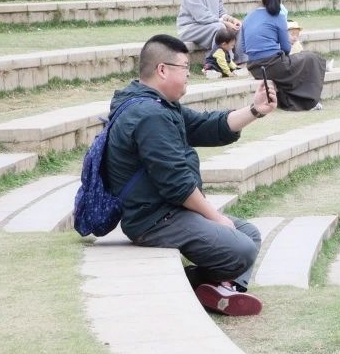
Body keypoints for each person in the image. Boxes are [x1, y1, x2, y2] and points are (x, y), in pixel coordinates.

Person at [103, 34, 276, 315]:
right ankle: (202, 286)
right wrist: (216, 217)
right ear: (162, 69)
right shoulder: (149, 116)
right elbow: (177, 184)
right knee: (242, 249)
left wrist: (256, 109)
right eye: (184, 67)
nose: (188, 75)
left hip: (169, 211)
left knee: (249, 233)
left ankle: (221, 289)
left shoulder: (157, 105)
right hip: (154, 219)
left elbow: (206, 125)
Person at [239, 0, 330, 111]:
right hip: (273, 66)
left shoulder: (248, 17)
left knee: (296, 63)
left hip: (254, 68)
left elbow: (244, 48)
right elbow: (286, 48)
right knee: (311, 58)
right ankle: (309, 102)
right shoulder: (279, 17)